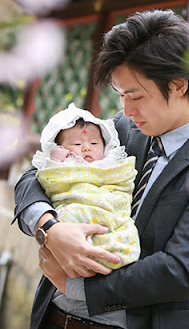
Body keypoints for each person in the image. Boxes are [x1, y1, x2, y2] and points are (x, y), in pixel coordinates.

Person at [13, 9, 189, 329]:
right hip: (51, 315)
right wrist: (49, 228)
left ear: (178, 85)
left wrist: (78, 288)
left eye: (135, 96)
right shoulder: (124, 128)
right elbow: (36, 175)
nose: (126, 109)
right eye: (120, 95)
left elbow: (179, 271)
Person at [32, 103, 139, 273]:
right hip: (77, 205)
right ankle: (84, 249)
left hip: (109, 209)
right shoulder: (64, 166)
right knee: (67, 216)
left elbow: (125, 179)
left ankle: (111, 251)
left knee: (125, 229)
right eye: (76, 144)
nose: (87, 147)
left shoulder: (112, 164)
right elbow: (47, 180)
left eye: (94, 143)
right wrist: (53, 162)